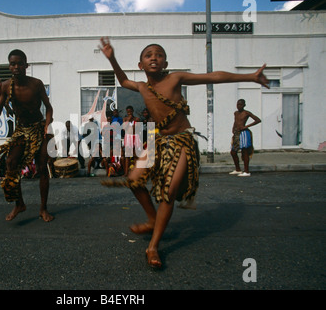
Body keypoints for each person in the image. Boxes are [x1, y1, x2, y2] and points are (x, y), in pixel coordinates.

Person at [99, 37, 269, 268]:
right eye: (148, 55)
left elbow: (213, 77)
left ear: (165, 62)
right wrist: (112, 58)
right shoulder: (141, 87)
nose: (154, 58)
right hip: (158, 140)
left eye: (158, 54)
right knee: (134, 180)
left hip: (182, 141)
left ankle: (153, 246)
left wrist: (250, 76)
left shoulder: (175, 78)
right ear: (141, 65)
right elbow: (123, 79)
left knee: (169, 190)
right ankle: (152, 218)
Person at [0, 49, 54, 222]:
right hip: (21, 130)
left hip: (38, 128)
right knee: (10, 162)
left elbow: (48, 107)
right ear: (9, 66)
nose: (16, 67)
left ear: (26, 65)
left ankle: (43, 209)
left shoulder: (36, 84)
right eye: (13, 64)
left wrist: (47, 125)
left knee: (42, 168)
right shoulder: (5, 86)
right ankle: (19, 204)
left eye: (20, 63)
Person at [229, 99, 261, 177]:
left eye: (240, 104)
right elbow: (235, 121)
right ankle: (238, 169)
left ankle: (247, 171)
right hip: (236, 133)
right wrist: (233, 128)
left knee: (245, 151)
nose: (238, 106)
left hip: (244, 133)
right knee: (233, 152)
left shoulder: (246, 113)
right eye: (237, 104)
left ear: (244, 105)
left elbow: (258, 120)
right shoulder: (236, 113)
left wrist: (246, 126)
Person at [123, 105, 141, 176]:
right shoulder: (125, 119)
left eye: (130, 112)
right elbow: (124, 128)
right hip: (128, 137)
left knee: (135, 155)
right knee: (127, 155)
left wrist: (135, 127)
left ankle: (136, 172)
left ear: (133, 111)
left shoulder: (137, 119)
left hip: (135, 136)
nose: (129, 113)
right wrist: (128, 120)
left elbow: (139, 129)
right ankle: (126, 172)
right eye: (128, 112)